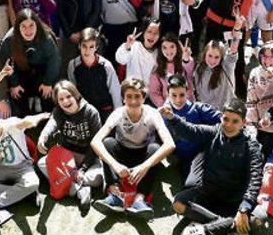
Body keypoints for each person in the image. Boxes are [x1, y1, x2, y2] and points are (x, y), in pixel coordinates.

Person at [164, 100, 261, 235]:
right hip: (208, 191)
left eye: (235, 121)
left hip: (234, 198)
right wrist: (172, 118)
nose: (228, 125)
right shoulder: (214, 132)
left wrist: (243, 209)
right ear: (221, 117)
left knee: (259, 219)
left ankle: (202, 228)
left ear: (243, 122)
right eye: (225, 119)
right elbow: (191, 130)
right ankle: (228, 227)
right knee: (178, 203)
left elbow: (256, 178)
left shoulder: (251, 146)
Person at [91, 78, 176, 219]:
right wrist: (115, 165)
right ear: (123, 99)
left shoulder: (152, 114)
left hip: (143, 155)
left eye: (137, 96)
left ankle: (140, 200)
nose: (133, 101)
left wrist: (144, 166)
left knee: (155, 148)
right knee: (108, 143)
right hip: (122, 154)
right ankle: (114, 196)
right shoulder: (118, 113)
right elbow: (95, 141)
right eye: (129, 97)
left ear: (143, 98)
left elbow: (170, 144)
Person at [37, 81, 103, 215]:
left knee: (98, 178)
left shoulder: (91, 112)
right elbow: (51, 124)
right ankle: (80, 190)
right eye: (61, 99)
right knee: (42, 163)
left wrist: (83, 169)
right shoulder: (58, 112)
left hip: (88, 156)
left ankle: (67, 184)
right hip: (67, 157)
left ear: (75, 95)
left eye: (68, 96)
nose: (65, 101)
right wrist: (42, 137)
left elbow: (95, 144)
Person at [0, 111, 49, 219]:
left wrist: (39, 116)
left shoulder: (9, 124)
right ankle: (23, 193)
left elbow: (26, 122)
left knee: (33, 183)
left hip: (22, 166)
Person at [205, 0, 253, 98]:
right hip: (214, 22)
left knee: (237, 62)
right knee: (210, 58)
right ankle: (207, 92)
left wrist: (242, 19)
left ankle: (240, 96)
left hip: (234, 26)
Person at [160, 74, 221, 185]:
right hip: (177, 156)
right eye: (173, 95)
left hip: (198, 154)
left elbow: (223, 120)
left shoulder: (197, 108)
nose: (178, 100)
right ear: (167, 94)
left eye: (182, 95)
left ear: (187, 92)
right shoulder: (162, 114)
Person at [0, 9, 61, 116]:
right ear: (18, 27)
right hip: (21, 71)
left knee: (48, 96)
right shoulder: (9, 40)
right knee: (18, 97)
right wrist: (14, 84)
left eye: (31, 25)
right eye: (23, 26)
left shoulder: (46, 38)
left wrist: (48, 82)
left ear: (37, 25)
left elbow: (54, 61)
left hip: (42, 71)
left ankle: (46, 116)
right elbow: (6, 64)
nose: (28, 30)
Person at [245, 41, 273, 159]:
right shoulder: (255, 72)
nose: (267, 60)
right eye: (264, 56)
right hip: (259, 127)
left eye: (272, 57)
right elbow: (251, 101)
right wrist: (251, 127)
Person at [66, 28, 122, 122]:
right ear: (79, 46)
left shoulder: (106, 66)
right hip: (85, 110)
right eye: (84, 46)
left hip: (105, 109)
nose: (87, 50)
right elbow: (73, 91)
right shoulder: (73, 65)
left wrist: (118, 116)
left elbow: (115, 92)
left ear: (96, 47)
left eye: (91, 47)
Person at [148, 33, 195, 108]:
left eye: (172, 46)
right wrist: (163, 105)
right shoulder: (158, 67)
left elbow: (189, 69)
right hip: (169, 107)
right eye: (164, 47)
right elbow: (153, 92)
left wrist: (186, 59)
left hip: (187, 105)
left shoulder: (184, 61)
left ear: (177, 47)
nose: (168, 50)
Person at [192, 39, 238, 110]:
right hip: (206, 113)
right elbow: (199, 92)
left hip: (225, 113)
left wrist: (236, 32)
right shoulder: (199, 68)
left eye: (217, 57)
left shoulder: (226, 67)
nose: (212, 60)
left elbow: (233, 54)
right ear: (205, 54)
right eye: (210, 56)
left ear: (221, 57)